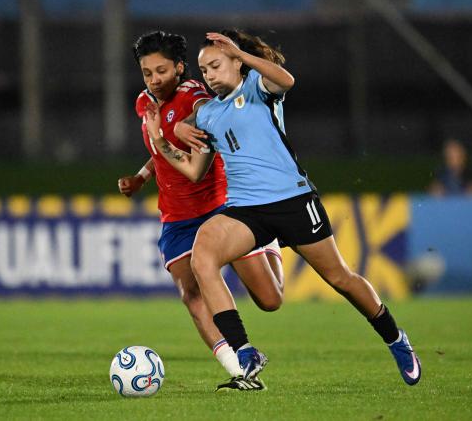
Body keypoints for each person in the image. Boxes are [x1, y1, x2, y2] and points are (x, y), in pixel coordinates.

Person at [144, 29, 422, 386]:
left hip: (292, 200)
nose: (209, 76)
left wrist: (243, 57)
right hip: (246, 210)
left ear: (236, 62)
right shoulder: (210, 114)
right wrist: (161, 139)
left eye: (216, 65)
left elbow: (286, 79)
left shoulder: (258, 88)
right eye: (204, 70)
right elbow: (195, 171)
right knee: (203, 254)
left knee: (341, 279)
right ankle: (244, 351)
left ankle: (395, 338)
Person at [118, 30, 285, 391]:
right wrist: (142, 177)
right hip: (176, 216)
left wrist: (177, 127)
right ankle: (240, 367)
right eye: (147, 73)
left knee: (270, 300)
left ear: (179, 67)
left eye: (162, 70)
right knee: (190, 293)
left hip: (219, 206)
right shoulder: (144, 103)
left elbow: (195, 126)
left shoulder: (193, 95)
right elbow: (160, 149)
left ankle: (269, 241)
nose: (154, 79)